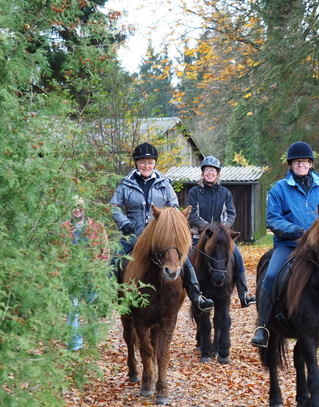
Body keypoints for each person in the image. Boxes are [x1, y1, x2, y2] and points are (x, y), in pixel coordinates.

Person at [250, 141, 319, 349]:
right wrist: (297, 232)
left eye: (304, 161)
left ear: (310, 164)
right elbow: (273, 218)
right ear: (290, 165)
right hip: (289, 245)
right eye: (296, 162)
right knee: (272, 275)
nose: (300, 165)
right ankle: (263, 326)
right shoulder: (279, 189)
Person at [110, 142, 214, 313]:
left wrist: (169, 223)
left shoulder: (164, 183)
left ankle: (197, 296)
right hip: (133, 235)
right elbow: (114, 206)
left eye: (150, 162)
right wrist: (124, 223)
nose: (146, 166)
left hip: (160, 236)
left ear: (155, 163)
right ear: (136, 163)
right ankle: (109, 297)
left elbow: (173, 207)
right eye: (142, 162)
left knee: (184, 260)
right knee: (115, 260)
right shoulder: (126, 184)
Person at [186, 155, 256, 308]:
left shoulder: (225, 193)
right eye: (207, 170)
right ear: (203, 172)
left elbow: (231, 213)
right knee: (184, 258)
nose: (210, 173)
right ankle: (187, 290)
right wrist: (208, 228)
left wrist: (222, 230)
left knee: (237, 255)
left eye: (213, 171)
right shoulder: (194, 192)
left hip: (221, 238)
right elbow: (191, 214)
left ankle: (244, 293)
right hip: (199, 236)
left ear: (217, 174)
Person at [62, 196, 109, 350]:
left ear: (84, 207)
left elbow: (105, 251)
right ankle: (75, 345)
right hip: (72, 276)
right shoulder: (64, 227)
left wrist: (99, 271)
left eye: (79, 206)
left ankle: (93, 342)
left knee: (92, 311)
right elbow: (59, 252)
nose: (77, 209)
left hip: (92, 275)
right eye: (74, 206)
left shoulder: (96, 226)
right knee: (72, 311)